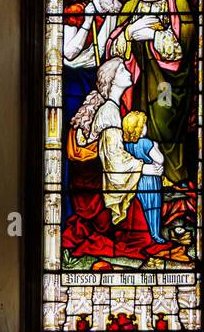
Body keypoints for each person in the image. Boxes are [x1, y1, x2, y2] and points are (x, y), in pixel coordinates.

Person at [62, 57, 169, 264]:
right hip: (98, 190)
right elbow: (114, 159)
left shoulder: (113, 108)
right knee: (139, 236)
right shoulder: (110, 111)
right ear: (111, 80)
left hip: (103, 181)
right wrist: (144, 168)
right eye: (121, 69)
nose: (128, 70)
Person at [106, 0, 197, 186]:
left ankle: (172, 175)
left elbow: (186, 44)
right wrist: (129, 32)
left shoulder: (178, 3)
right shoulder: (131, 6)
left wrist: (154, 35)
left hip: (168, 79)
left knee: (166, 120)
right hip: (138, 78)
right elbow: (113, 46)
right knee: (140, 122)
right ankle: (145, 175)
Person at [122, 110, 165, 244]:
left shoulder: (125, 144)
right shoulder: (146, 143)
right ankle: (155, 234)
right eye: (144, 124)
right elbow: (160, 159)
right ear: (140, 128)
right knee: (153, 207)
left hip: (135, 181)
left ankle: (143, 232)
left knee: (140, 207)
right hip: (150, 181)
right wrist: (156, 146)